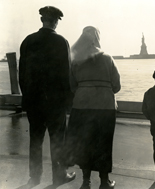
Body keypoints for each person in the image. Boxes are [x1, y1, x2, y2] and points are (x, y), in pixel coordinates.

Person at [19, 6, 76, 186]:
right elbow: (66, 74)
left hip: (33, 102)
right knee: (57, 140)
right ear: (55, 21)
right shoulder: (61, 42)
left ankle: (34, 177)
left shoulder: (28, 41)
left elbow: (22, 74)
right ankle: (58, 175)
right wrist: (68, 101)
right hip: (55, 103)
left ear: (42, 20)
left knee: (35, 140)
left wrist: (27, 97)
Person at [64, 26, 121, 189]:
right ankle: (104, 182)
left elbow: (72, 85)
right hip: (105, 108)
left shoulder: (76, 61)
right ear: (97, 38)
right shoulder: (108, 58)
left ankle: (86, 182)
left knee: (84, 144)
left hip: (82, 107)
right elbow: (117, 86)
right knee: (104, 144)